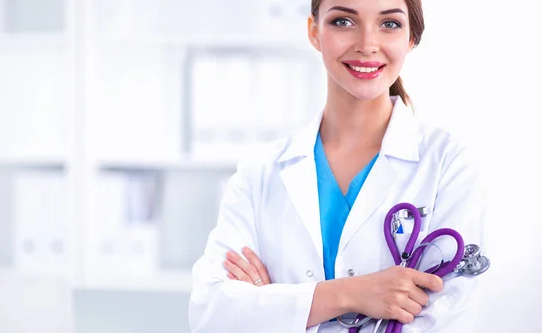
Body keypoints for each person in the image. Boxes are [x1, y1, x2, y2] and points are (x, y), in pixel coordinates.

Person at [188, 0, 486, 332]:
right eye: (344, 21)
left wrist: (279, 305)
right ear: (314, 32)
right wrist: (352, 294)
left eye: (389, 24)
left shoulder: (446, 164)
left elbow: (447, 320)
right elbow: (212, 313)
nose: (367, 45)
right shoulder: (261, 171)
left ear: (411, 38)